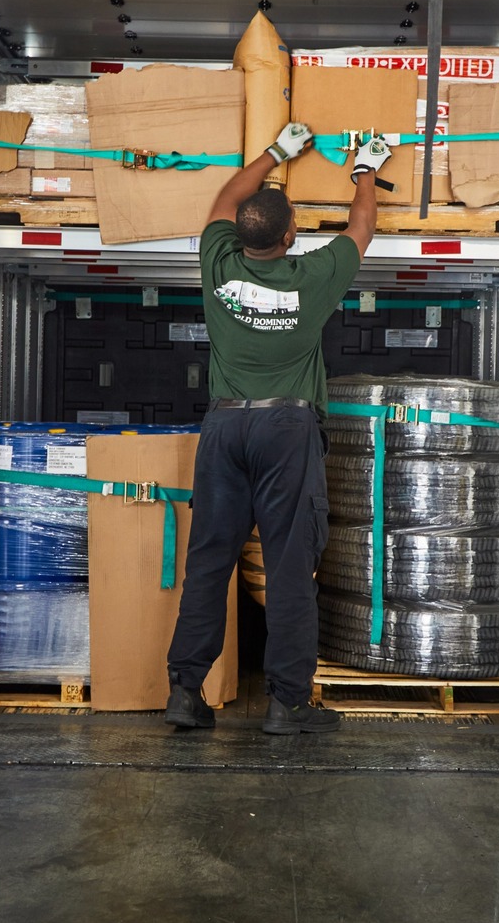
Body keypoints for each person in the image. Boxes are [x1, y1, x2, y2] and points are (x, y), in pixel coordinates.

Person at [165, 121, 393, 735]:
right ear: (291, 236)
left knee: (210, 560)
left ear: (239, 234)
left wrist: (274, 153)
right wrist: (364, 172)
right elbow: (361, 228)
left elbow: (222, 201)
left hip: (223, 430)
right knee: (291, 565)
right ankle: (287, 704)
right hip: (285, 431)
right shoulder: (310, 279)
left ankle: (185, 693)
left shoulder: (216, 264)